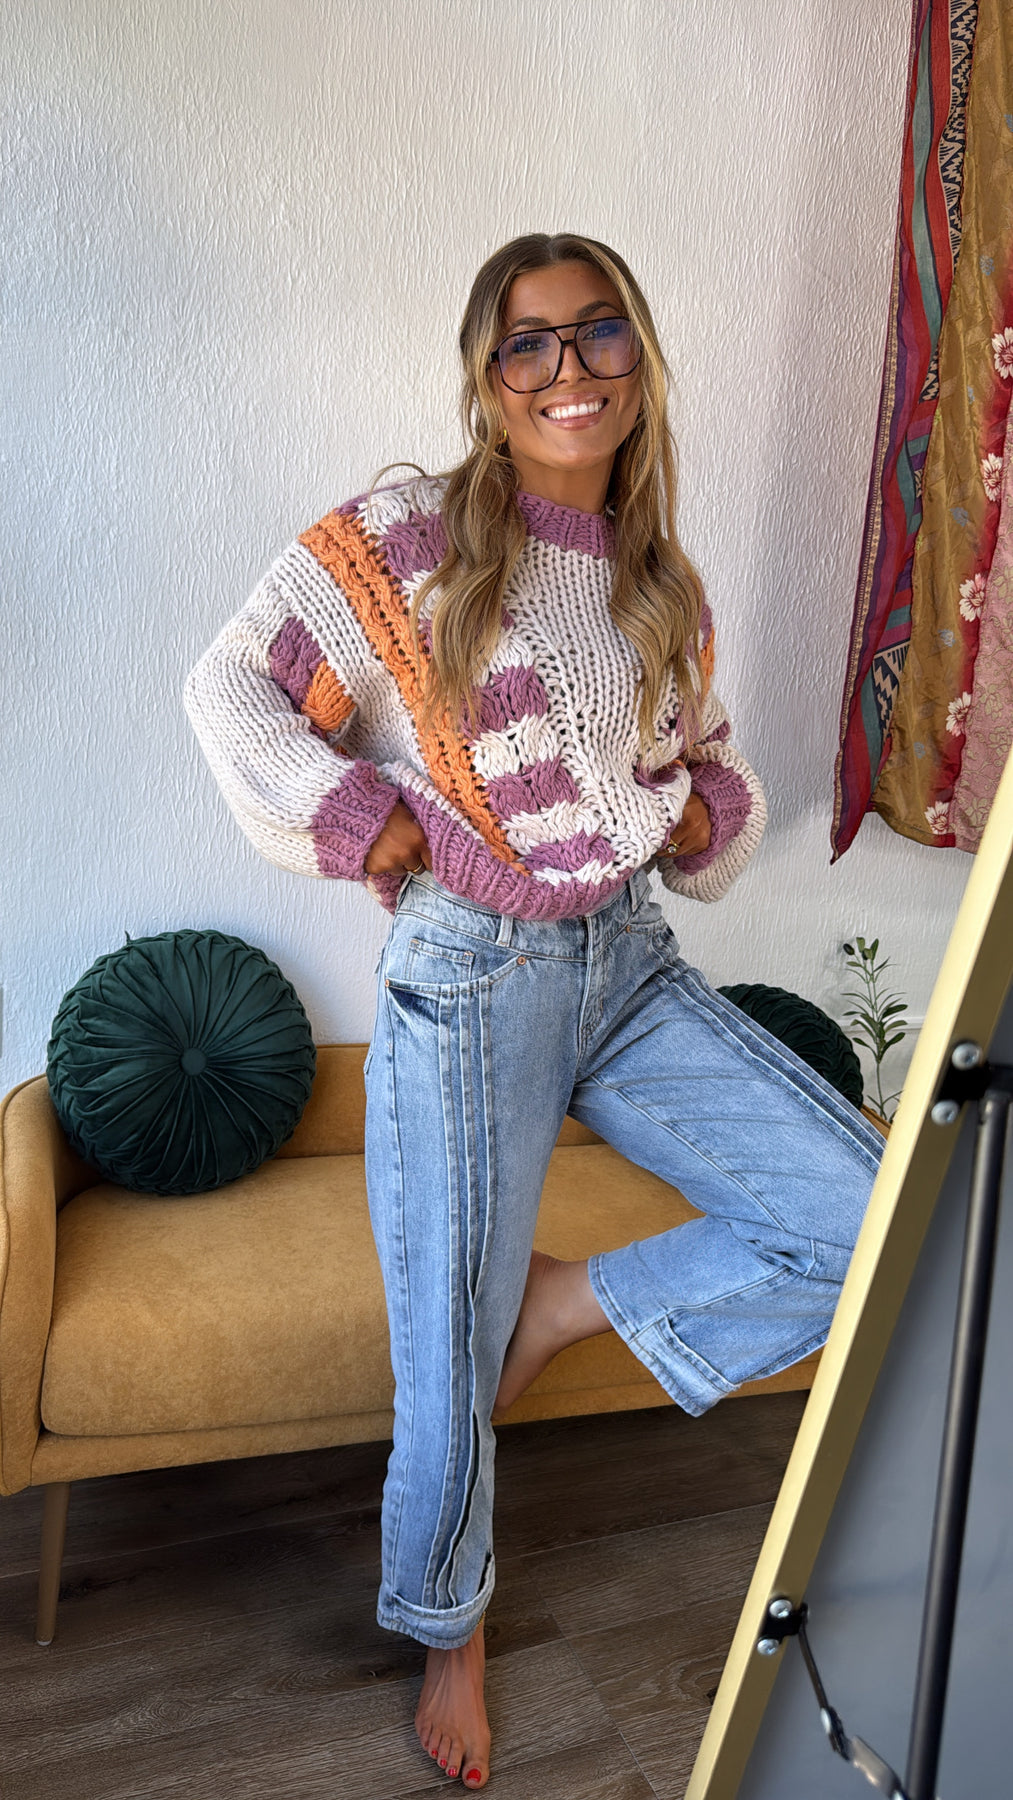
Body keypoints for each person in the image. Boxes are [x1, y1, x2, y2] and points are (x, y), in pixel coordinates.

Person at [185, 232, 883, 1789]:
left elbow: (706, 771)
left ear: (638, 360)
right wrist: (366, 820)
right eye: (528, 342)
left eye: (598, 332)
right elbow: (230, 688)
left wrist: (702, 810)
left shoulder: (658, 581)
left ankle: (564, 1307)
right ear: (486, 377)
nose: (568, 368)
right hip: (468, 976)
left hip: (626, 965)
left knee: (864, 1220)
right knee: (445, 1347)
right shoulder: (406, 538)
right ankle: (452, 1627)